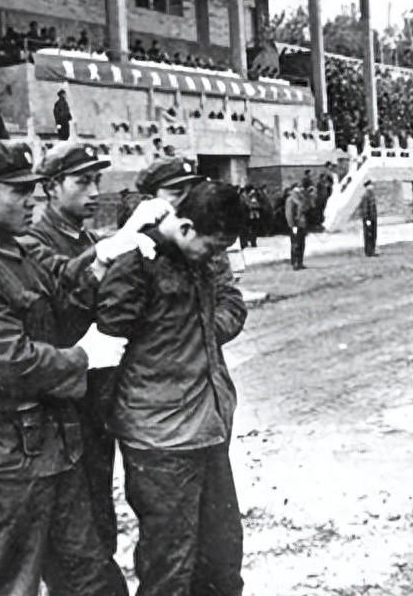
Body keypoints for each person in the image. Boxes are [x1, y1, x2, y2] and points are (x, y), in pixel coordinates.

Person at [0, 140, 131, 596]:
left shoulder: (17, 251)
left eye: (33, 189)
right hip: (1, 456)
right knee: (10, 584)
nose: (31, 199)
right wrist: (84, 356)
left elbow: (66, 282)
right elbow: (13, 364)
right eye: (18, 190)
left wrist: (106, 255)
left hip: (54, 444)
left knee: (91, 579)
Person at [96, 181, 248, 596]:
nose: (215, 258)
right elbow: (105, 357)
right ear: (185, 228)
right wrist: (125, 420)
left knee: (221, 558)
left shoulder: (196, 258)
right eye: (212, 247)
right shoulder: (135, 266)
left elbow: (225, 308)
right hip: (160, 443)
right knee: (170, 568)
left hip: (205, 430)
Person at [15, 142, 119, 562]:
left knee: (100, 517)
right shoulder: (35, 244)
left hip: (95, 400)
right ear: (52, 187)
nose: (94, 191)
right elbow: (56, 322)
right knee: (75, 538)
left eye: (97, 181)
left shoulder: (86, 238)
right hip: (63, 403)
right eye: (82, 182)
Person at [285, 183, 308, 270]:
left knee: (301, 243)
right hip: (295, 225)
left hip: (301, 224)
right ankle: (295, 262)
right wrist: (292, 225)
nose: (301, 189)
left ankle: (300, 262)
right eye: (299, 187)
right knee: (296, 243)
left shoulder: (301, 198)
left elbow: (305, 209)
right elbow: (289, 213)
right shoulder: (291, 199)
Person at [359, 179, 377, 257]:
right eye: (370, 185)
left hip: (373, 218)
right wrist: (367, 219)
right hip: (369, 219)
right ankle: (369, 252)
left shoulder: (371, 194)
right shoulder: (366, 195)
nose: (372, 186)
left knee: (373, 234)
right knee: (368, 235)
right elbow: (365, 208)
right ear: (367, 186)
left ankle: (372, 250)